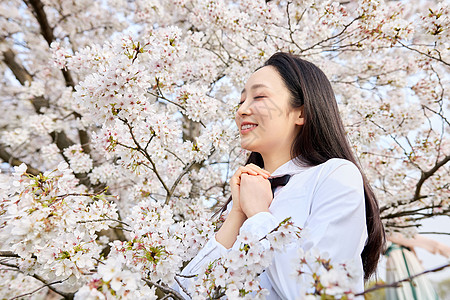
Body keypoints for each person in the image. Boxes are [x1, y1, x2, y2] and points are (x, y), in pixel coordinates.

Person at [176, 52, 385, 299]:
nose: (242, 110)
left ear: (301, 113)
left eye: (259, 96)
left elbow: (317, 292)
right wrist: (237, 214)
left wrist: (259, 216)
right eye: (241, 101)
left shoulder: (334, 175)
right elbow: (183, 293)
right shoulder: (243, 198)